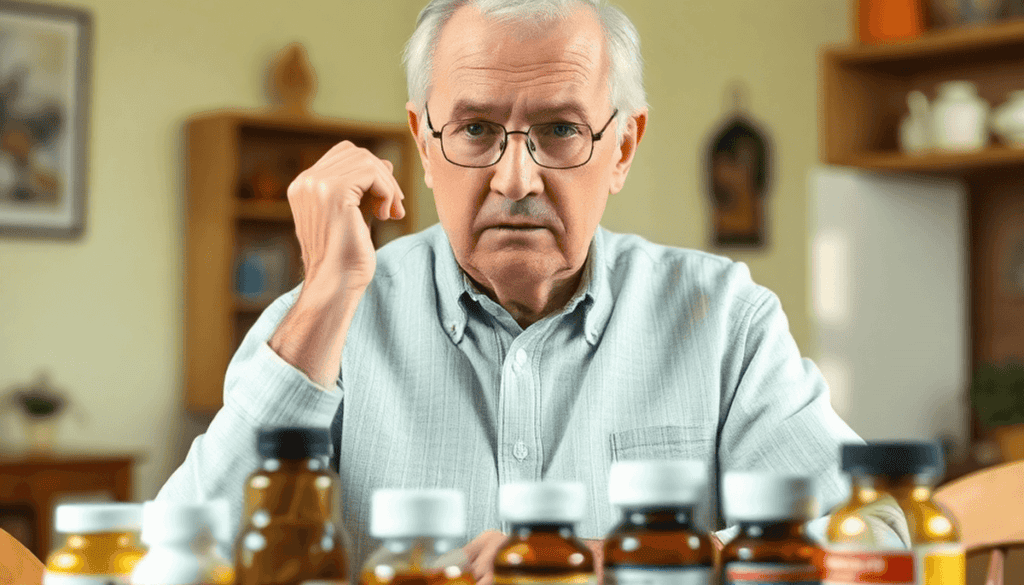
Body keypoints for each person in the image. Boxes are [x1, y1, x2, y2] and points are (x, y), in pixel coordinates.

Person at [158, 0, 909, 582]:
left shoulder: (724, 321)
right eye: (477, 129)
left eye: (559, 131)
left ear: (622, 147)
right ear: (423, 144)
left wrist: (642, 561)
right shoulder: (328, 318)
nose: (515, 179)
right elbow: (165, 561)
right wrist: (322, 300)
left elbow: (874, 534)